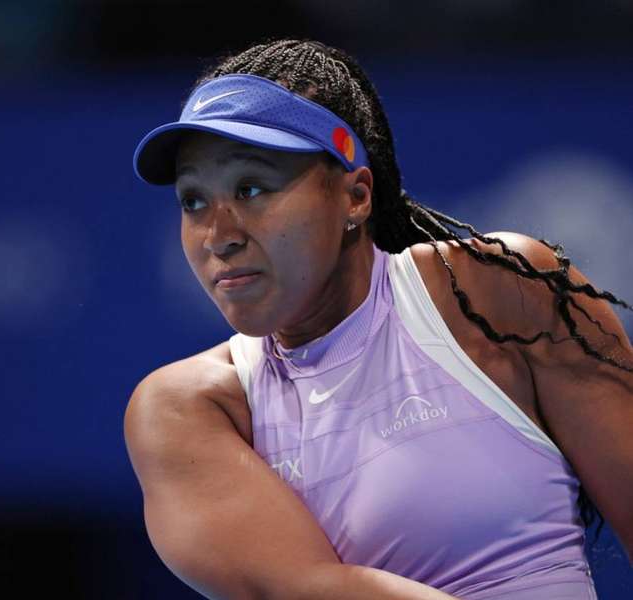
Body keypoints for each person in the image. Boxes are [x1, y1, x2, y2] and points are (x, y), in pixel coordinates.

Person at [124, 39, 633, 600]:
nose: (219, 235)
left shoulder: (504, 293)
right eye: (193, 200)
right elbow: (310, 589)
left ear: (356, 197)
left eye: (251, 188)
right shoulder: (185, 408)